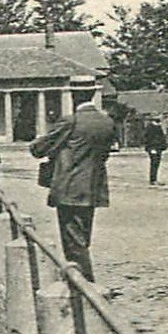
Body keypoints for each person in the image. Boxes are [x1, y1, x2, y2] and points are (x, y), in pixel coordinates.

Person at [30, 99, 116, 282]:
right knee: (82, 235)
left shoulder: (70, 121)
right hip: (93, 186)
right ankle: (80, 279)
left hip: (70, 186)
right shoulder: (107, 122)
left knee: (72, 238)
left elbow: (38, 149)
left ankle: (83, 282)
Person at [142, 117, 167, 185]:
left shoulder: (159, 127)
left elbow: (162, 138)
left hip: (158, 147)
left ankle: (154, 179)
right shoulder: (150, 128)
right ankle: (153, 179)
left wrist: (163, 146)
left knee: (156, 163)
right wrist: (151, 148)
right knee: (154, 163)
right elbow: (147, 139)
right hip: (153, 148)